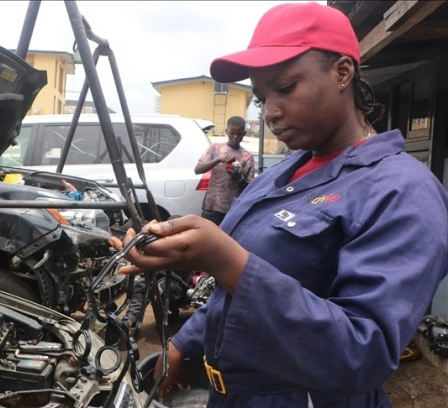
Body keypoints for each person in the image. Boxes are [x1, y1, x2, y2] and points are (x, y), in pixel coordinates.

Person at [108, 3, 448, 407]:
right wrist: (185, 341)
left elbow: (364, 352)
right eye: (260, 97)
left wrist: (224, 259)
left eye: (285, 88)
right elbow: (236, 294)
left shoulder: (402, 190)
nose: (270, 111)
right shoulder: (277, 177)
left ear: (342, 72)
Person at [195, 116, 255, 226]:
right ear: (227, 131)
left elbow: (250, 188)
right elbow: (198, 169)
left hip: (233, 210)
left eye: (239, 134)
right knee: (206, 240)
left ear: (244, 133)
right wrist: (217, 160)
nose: (235, 137)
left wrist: (238, 178)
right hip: (212, 206)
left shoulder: (247, 157)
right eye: (232, 133)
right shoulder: (215, 148)